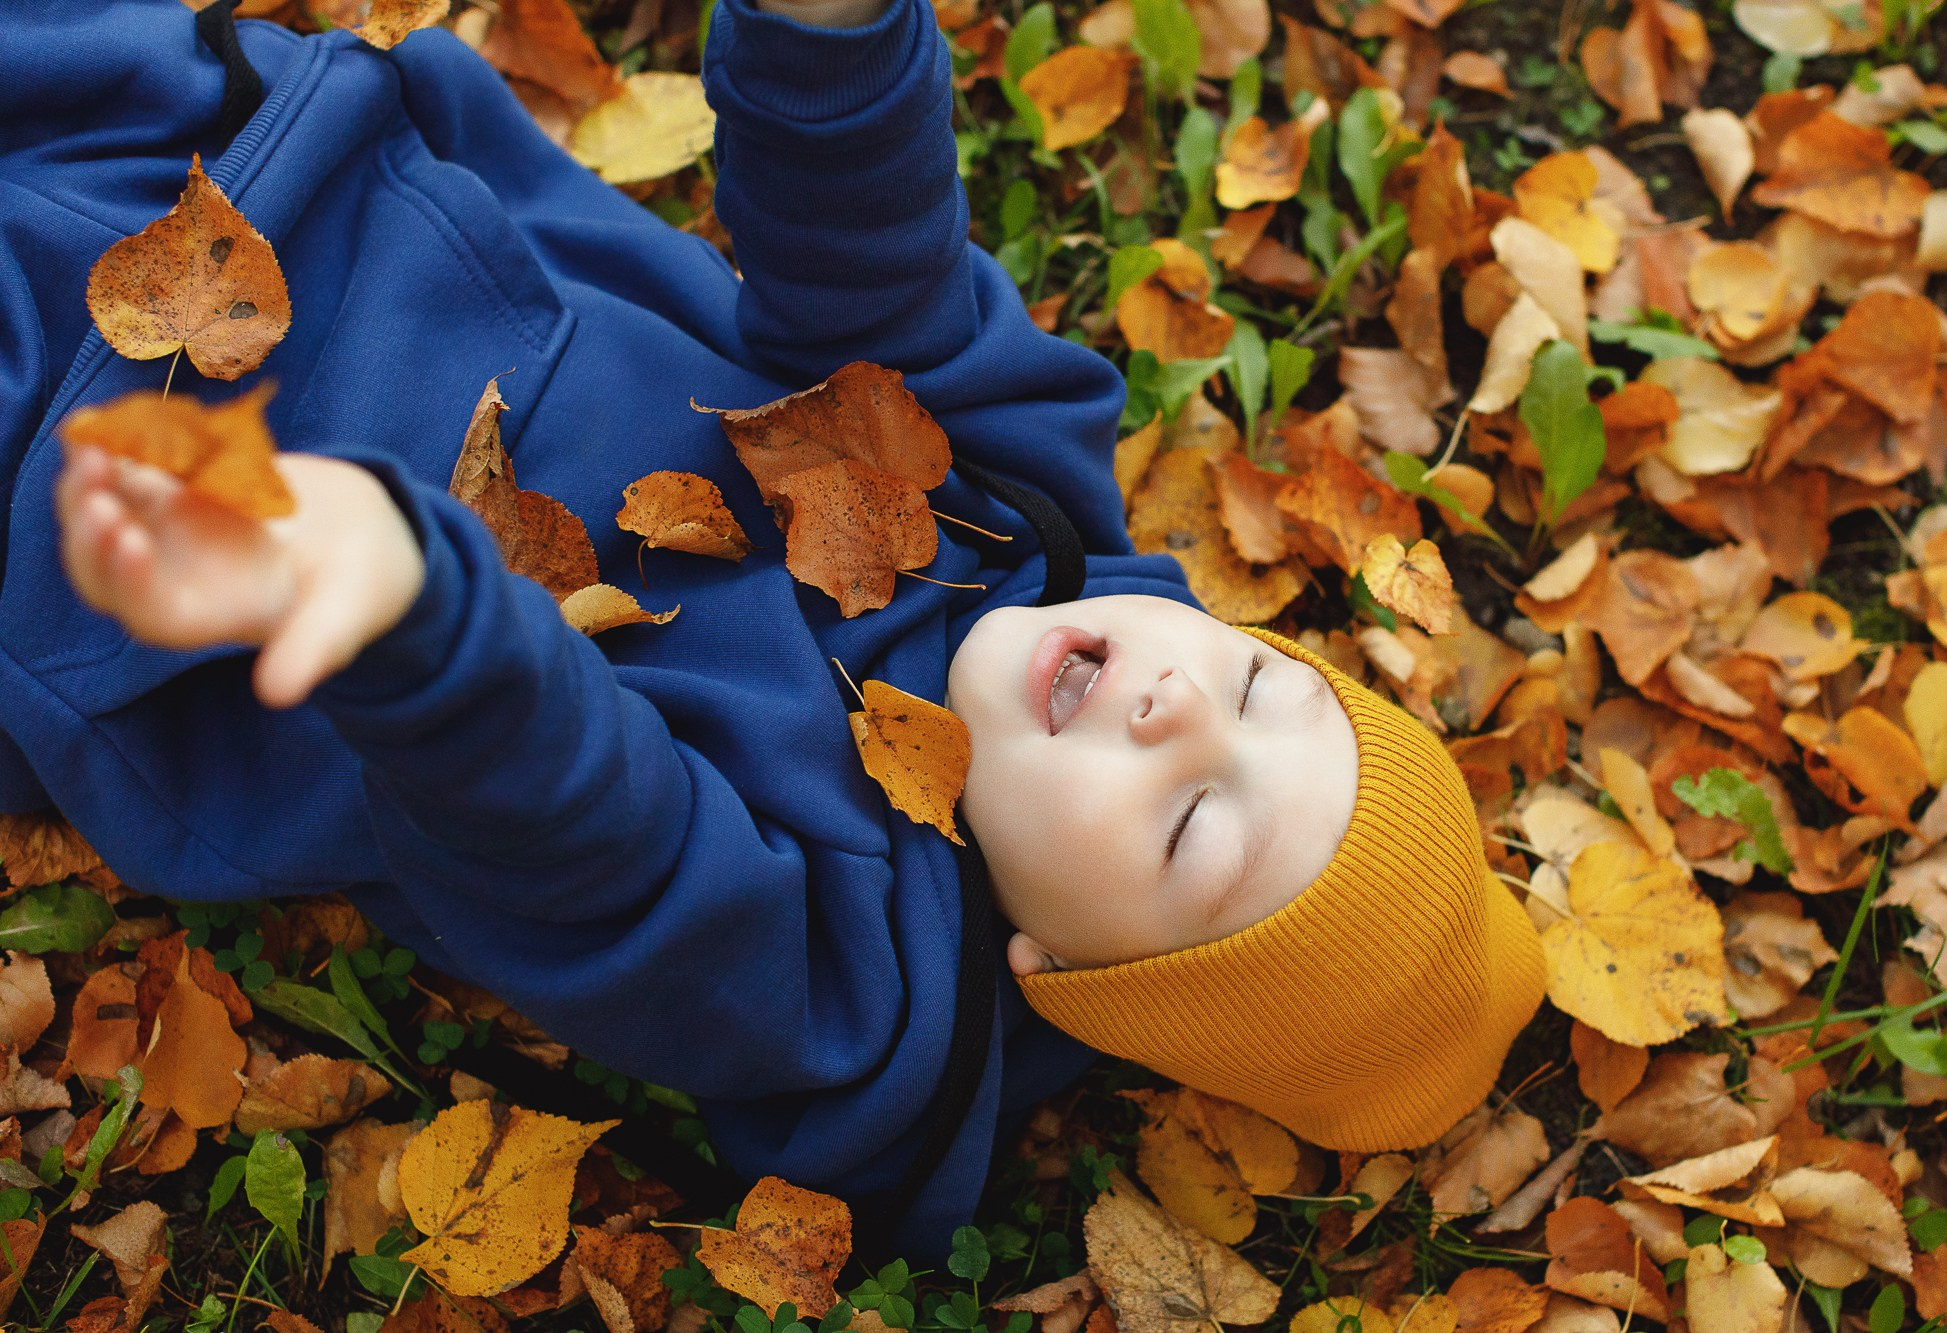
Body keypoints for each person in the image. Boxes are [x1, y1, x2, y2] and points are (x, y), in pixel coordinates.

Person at [6, 0, 1544, 1256]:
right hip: (266, 163)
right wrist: (834, 40)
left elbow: (592, 836)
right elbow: (884, 283)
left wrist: (417, 609)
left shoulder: (832, 978)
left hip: (105, 506)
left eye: (1196, 821)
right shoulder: (1033, 516)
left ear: (1065, 967)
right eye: (1267, 687)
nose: (1181, 709)